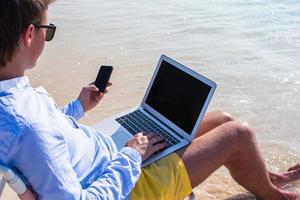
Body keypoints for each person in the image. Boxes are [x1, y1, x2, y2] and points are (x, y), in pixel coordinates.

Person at [0, 0, 300, 200]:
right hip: (128, 184)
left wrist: (79, 107)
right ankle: (277, 196)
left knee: (222, 120)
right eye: (47, 32)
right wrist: (132, 156)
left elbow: (44, 133)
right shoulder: (28, 125)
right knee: (238, 134)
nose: (46, 38)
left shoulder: (12, 98)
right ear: (29, 34)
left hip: (111, 155)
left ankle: (264, 175)